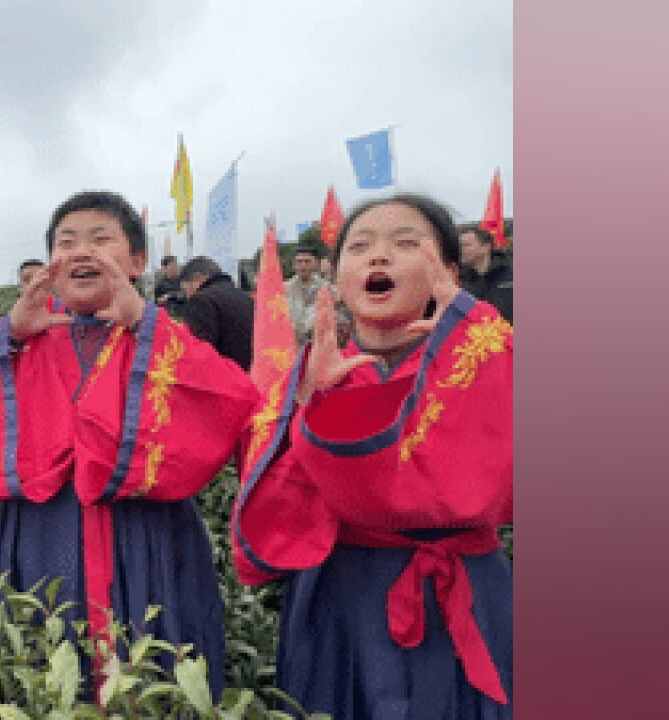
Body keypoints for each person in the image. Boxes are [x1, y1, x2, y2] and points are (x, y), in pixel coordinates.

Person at [0, 190, 260, 698]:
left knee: (152, 672)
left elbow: (233, 399)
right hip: (44, 531)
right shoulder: (21, 341)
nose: (82, 250)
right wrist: (9, 333)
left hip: (145, 531)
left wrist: (145, 324)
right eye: (67, 242)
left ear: (137, 260)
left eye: (100, 239)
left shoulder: (160, 335)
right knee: (46, 667)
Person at [231, 193, 512, 718]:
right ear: (338, 280)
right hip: (344, 593)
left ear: (448, 270)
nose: (378, 257)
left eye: (406, 244)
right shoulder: (310, 373)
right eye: (359, 247)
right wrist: (312, 406)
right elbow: (276, 513)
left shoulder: (489, 355)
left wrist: (481, 341)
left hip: (463, 587)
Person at [178, 255, 255, 374]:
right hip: (249, 381)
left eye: (186, 289)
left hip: (222, 381)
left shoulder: (202, 300)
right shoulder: (246, 298)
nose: (187, 296)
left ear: (198, 278)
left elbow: (197, 352)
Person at [458, 224, 513, 323]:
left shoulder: (510, 275)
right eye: (460, 245)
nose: (461, 250)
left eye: (466, 245)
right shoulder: (459, 280)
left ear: (486, 247)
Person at [283, 246, 330, 347]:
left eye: (307, 261)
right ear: (294, 265)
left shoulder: (327, 289)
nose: (303, 265)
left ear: (316, 263)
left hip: (318, 345)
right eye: (299, 262)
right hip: (291, 346)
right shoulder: (284, 289)